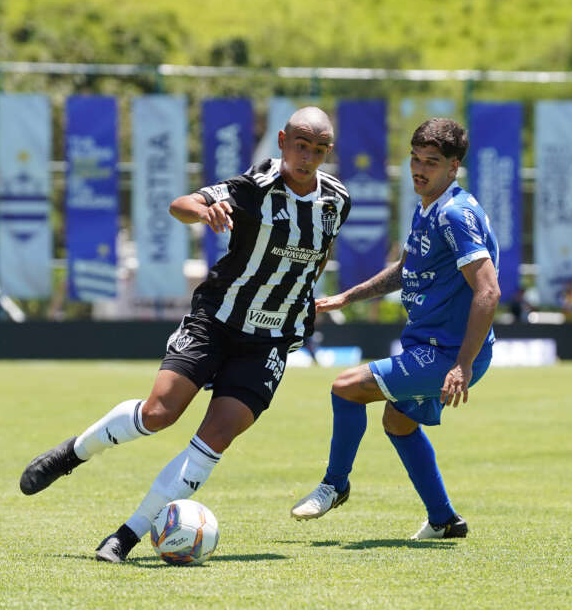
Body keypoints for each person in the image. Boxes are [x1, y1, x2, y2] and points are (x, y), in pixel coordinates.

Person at [18, 106, 351, 562]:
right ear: (281, 140)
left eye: (317, 149)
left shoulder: (337, 200)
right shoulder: (253, 187)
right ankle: (71, 454)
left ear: (327, 151)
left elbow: (315, 254)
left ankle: (126, 536)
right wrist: (205, 211)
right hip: (217, 319)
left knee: (217, 435)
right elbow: (181, 204)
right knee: (158, 413)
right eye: (299, 145)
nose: (307, 156)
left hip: (272, 339)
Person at [290, 118, 500, 540]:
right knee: (399, 423)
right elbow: (405, 271)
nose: (420, 170)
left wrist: (461, 365)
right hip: (429, 346)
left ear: (453, 166)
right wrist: (348, 297)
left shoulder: (455, 214)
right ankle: (444, 520)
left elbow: (488, 290)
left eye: (432, 163)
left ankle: (335, 484)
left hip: (447, 352)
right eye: (415, 159)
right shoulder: (429, 208)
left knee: (346, 387)